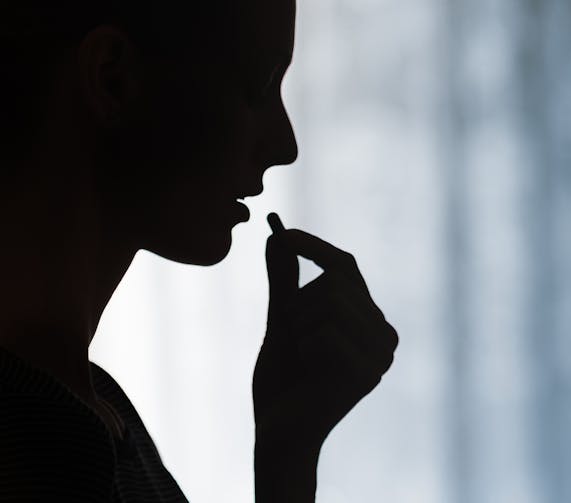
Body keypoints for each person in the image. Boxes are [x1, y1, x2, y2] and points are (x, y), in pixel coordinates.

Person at [0, 1, 399, 501]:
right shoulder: (36, 442)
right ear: (113, 78)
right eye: (259, 87)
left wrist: (287, 453)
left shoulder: (102, 415)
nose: (285, 144)